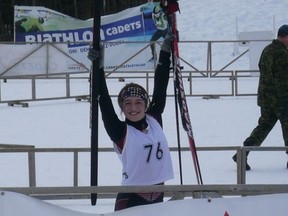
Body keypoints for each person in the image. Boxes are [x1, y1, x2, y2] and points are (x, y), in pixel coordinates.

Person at [88, 35, 174, 211]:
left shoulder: (154, 119)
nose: (133, 108)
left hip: (158, 196)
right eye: (127, 103)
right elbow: (103, 100)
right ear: (122, 107)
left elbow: (161, 85)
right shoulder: (120, 131)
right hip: (130, 199)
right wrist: (98, 68)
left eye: (138, 103)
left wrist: (165, 52)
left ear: (146, 105)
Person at [232, 24, 288, 171]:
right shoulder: (282, 54)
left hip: (265, 98)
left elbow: (262, 69)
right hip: (280, 99)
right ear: (284, 37)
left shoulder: (267, 49)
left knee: (263, 127)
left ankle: (242, 154)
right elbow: (283, 80)